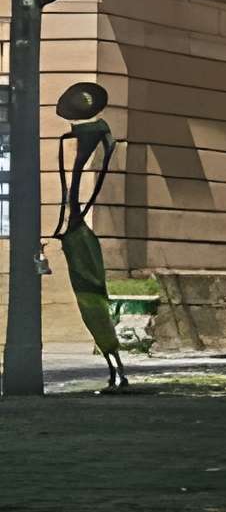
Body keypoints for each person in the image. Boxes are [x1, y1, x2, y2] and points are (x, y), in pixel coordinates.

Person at [54, 81, 128, 393]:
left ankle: (116, 368)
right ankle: (116, 369)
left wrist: (73, 218)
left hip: (78, 231)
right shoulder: (89, 135)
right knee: (92, 303)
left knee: (92, 301)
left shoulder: (87, 134)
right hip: (76, 227)